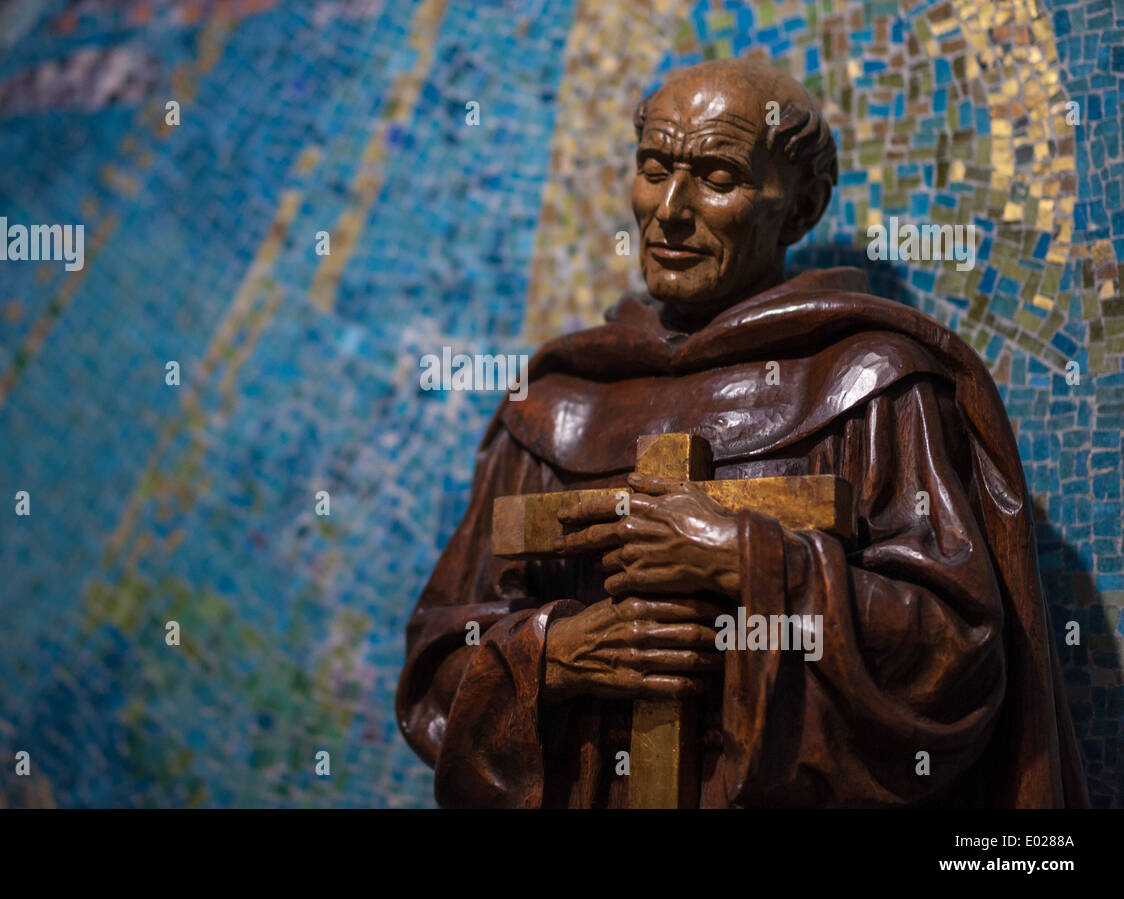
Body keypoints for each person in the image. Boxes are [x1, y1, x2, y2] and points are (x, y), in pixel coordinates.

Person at [396, 60, 1089, 808]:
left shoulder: (872, 387)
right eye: (653, 169)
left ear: (800, 208)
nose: (668, 210)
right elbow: (436, 665)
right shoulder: (557, 406)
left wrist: (744, 559)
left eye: (716, 177)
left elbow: (954, 652)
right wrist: (552, 656)